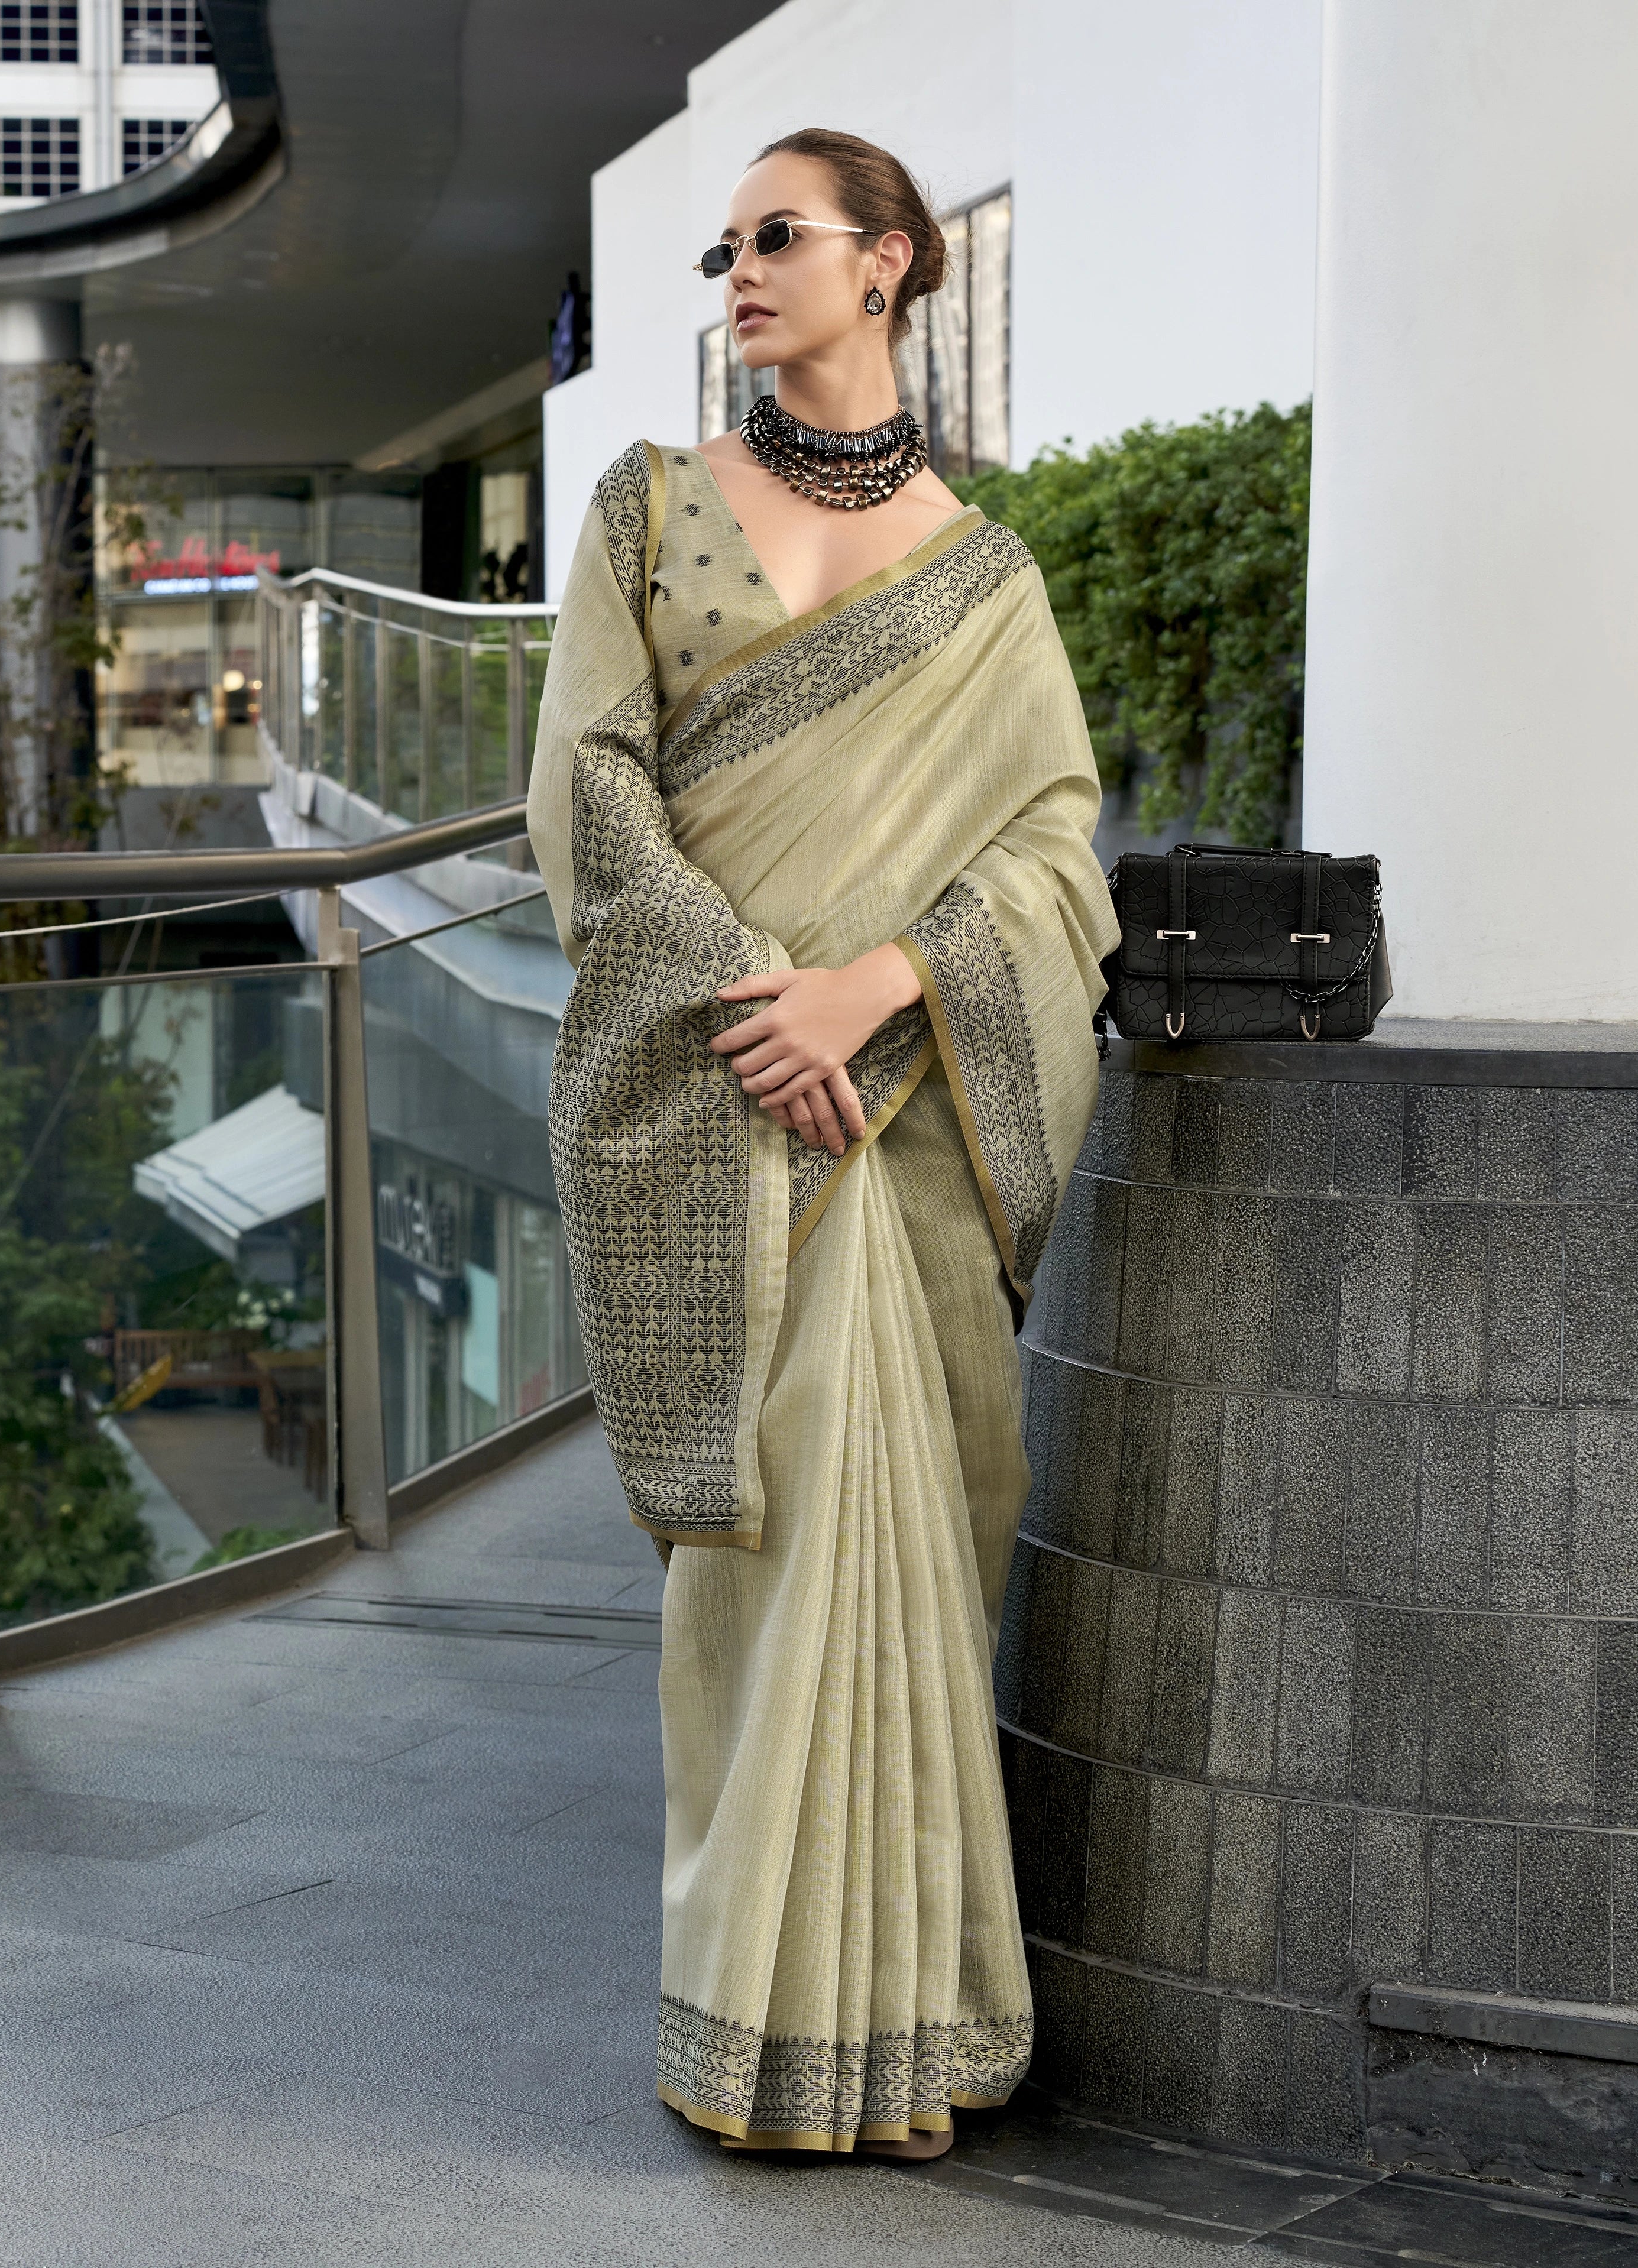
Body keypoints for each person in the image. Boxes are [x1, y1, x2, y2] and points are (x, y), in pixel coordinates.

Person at [525, 127, 1118, 2160]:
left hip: (918, 1127)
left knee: (914, 1561)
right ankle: (750, 2030)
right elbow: (589, 789)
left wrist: (876, 991)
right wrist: (751, 1001)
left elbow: (1053, 854)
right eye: (725, 246)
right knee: (758, 1577)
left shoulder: (989, 578)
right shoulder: (648, 507)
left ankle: (916, 2030)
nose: (739, 274)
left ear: (887, 269)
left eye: (778, 239)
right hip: (721, 1117)